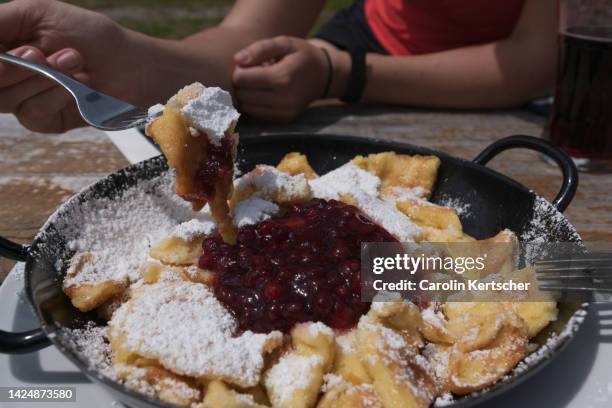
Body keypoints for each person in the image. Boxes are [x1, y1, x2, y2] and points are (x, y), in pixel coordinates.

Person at [0, 0, 556, 132]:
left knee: (505, 276)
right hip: (361, 41)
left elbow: (537, 61)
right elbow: (244, 40)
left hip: (547, 94)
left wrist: (341, 74)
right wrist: (123, 59)